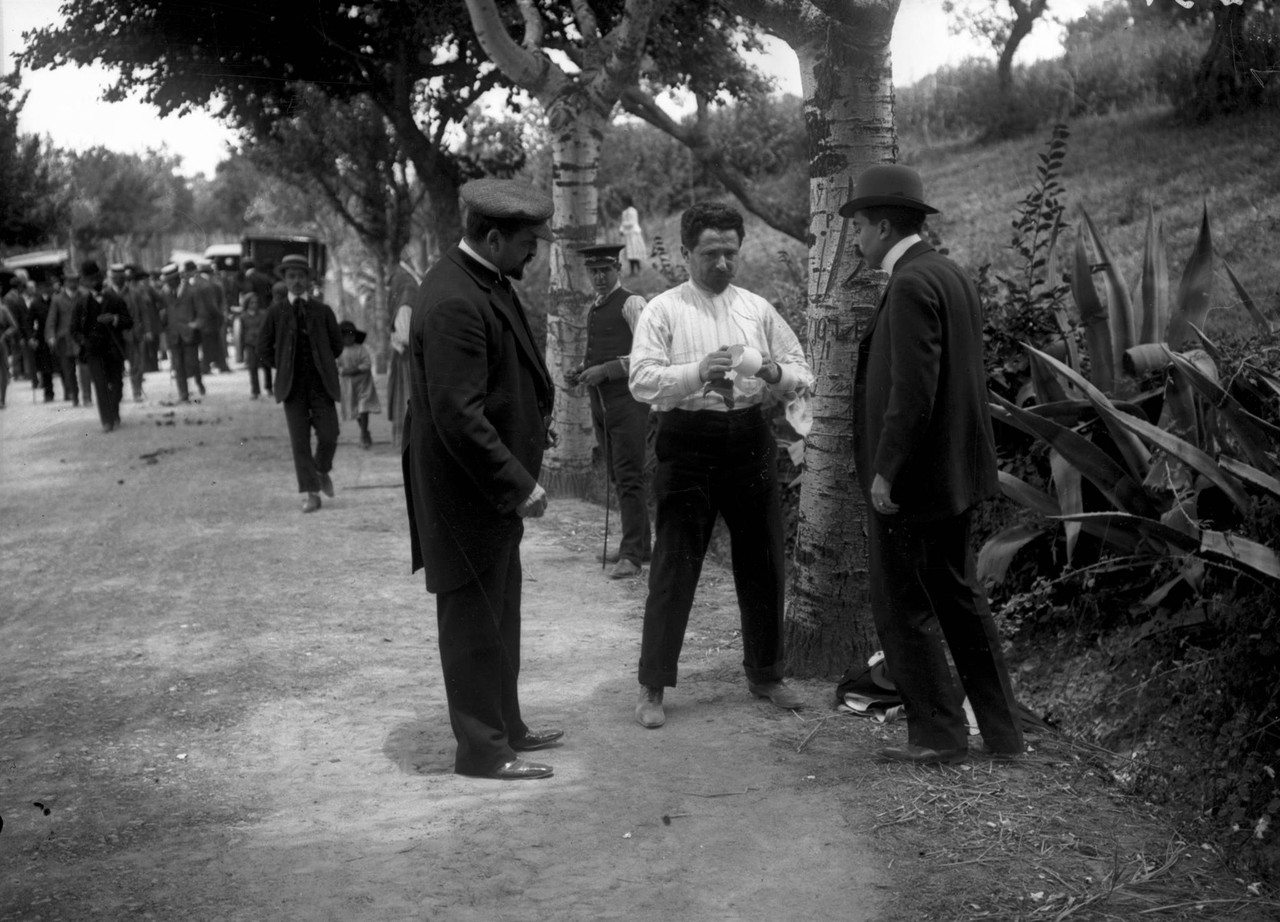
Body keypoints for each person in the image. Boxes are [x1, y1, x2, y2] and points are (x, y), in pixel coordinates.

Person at [842, 163, 1024, 764]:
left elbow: (913, 392)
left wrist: (886, 470)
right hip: (956, 476)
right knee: (959, 598)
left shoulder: (911, 284)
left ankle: (940, 735)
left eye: (861, 227)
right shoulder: (950, 274)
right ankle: (1002, 734)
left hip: (916, 480)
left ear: (886, 224)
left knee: (904, 605)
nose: (858, 240)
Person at [628, 201, 814, 729]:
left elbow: (803, 372)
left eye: (731, 253)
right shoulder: (662, 310)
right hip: (687, 439)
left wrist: (775, 370)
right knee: (676, 560)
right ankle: (653, 684)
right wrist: (694, 373)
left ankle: (766, 672)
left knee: (762, 555)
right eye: (711, 253)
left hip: (750, 437)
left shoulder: (756, 309)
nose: (723, 264)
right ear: (686, 252)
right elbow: (642, 380)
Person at [402, 177, 561, 781]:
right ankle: (483, 751)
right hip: (467, 494)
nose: (534, 254)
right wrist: (519, 483)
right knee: (472, 625)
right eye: (528, 243)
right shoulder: (452, 300)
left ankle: (507, 727)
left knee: (500, 616)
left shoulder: (484, 279)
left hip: (486, 494)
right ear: (493, 238)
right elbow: (458, 417)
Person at [567, 243, 651, 579]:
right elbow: (599, 352)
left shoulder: (633, 304)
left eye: (606, 270)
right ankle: (640, 545)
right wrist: (581, 368)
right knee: (618, 475)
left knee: (629, 476)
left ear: (618, 268)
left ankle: (631, 555)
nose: (600, 277)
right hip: (601, 404)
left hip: (629, 402)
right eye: (594, 271)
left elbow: (650, 355)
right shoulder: (595, 307)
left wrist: (607, 370)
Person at [259, 254, 343, 514]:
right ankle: (311, 493)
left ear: (309, 279)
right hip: (292, 388)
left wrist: (323, 363)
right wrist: (283, 365)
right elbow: (263, 348)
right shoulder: (276, 312)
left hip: (321, 385)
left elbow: (337, 346)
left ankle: (321, 469)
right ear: (284, 280)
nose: (296, 281)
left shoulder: (323, 310)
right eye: (291, 276)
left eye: (301, 276)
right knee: (300, 442)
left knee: (330, 434)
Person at [74, 260, 133, 432]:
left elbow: (129, 321)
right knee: (100, 386)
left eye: (95, 278)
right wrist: (84, 342)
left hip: (113, 349)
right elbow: (74, 330)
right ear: (85, 282)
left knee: (117, 384)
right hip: (94, 351)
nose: (94, 282)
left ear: (100, 278)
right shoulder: (81, 303)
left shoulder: (114, 299)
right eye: (89, 279)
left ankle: (114, 412)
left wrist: (114, 319)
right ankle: (107, 421)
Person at [386, 247, 421, 452]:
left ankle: (407, 440)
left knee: (406, 396)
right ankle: (406, 440)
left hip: (406, 353)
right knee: (406, 396)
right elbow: (404, 328)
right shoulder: (408, 285)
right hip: (406, 355)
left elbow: (404, 332)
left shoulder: (405, 287)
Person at [160, 263, 206, 403]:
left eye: (171, 281)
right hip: (173, 334)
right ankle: (183, 394)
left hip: (189, 333)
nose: (169, 284)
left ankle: (198, 381)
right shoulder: (165, 292)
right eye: (167, 281)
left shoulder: (192, 291)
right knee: (178, 365)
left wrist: (196, 324)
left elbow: (202, 311)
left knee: (191, 362)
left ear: (178, 278)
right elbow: (163, 311)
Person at [336, 319, 380, 449]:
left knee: (363, 408)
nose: (349, 338)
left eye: (351, 335)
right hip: (349, 385)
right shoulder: (339, 351)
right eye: (345, 335)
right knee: (356, 409)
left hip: (363, 383)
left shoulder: (361, 349)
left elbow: (367, 363)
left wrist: (357, 369)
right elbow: (336, 366)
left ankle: (363, 435)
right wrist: (343, 370)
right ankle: (365, 431)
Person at [46, 270, 84, 406]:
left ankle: (87, 396)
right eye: (70, 280)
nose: (73, 283)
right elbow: (51, 320)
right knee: (69, 370)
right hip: (64, 339)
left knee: (85, 367)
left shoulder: (84, 295)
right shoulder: (57, 299)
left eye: (75, 280)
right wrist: (50, 336)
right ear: (65, 282)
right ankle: (74, 395)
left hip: (81, 338)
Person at [238, 285, 271, 399]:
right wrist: (241, 349)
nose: (254, 304)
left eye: (256, 302)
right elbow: (241, 333)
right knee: (252, 367)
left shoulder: (263, 314)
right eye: (251, 302)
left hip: (262, 343)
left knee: (266, 366)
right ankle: (255, 391)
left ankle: (268, 387)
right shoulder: (243, 316)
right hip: (250, 344)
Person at [618, 194, 647, 276]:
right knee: (629, 253)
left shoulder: (632, 211)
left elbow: (632, 223)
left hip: (633, 234)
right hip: (627, 235)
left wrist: (623, 225)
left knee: (635, 252)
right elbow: (623, 223)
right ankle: (632, 270)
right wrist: (621, 230)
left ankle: (639, 268)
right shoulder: (624, 212)